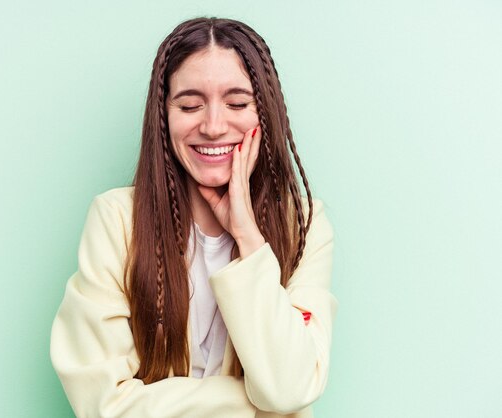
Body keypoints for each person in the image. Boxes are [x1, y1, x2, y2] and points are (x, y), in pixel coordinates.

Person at [50, 17, 337, 418]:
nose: (214, 126)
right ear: (163, 116)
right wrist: (255, 407)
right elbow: (105, 407)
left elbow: (288, 388)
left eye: (237, 103)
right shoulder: (116, 221)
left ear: (264, 112)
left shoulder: (302, 224)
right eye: (189, 105)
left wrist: (248, 238)